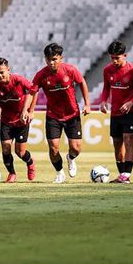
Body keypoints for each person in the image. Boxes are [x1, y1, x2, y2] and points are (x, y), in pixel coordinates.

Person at [27, 43, 90, 183]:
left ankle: (71, 158)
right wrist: (28, 111)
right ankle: (59, 172)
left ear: (61, 58)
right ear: (45, 59)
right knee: (53, 148)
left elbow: (82, 83)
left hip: (72, 114)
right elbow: (32, 92)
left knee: (76, 148)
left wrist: (87, 104)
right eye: (48, 59)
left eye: (54, 59)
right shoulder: (41, 75)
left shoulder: (70, 70)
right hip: (53, 116)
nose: (51, 62)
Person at [100, 40, 133, 183]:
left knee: (128, 140)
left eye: (117, 57)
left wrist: (131, 101)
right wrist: (103, 100)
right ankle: (122, 176)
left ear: (125, 55)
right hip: (115, 112)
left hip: (130, 112)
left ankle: (126, 174)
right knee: (117, 144)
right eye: (112, 57)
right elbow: (106, 88)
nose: (114, 60)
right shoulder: (107, 70)